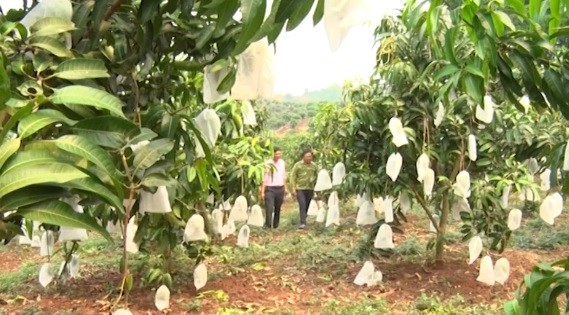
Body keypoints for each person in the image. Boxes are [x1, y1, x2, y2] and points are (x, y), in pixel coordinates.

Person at [290, 148, 319, 229]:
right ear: (303, 157)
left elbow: (317, 177)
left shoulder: (314, 166)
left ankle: (304, 218)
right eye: (307, 156)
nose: (309, 158)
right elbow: (293, 177)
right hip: (300, 188)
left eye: (310, 156)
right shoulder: (297, 165)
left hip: (310, 188)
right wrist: (293, 188)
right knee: (302, 204)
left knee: (307, 205)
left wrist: (317, 188)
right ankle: (303, 222)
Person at [260, 146, 288, 229]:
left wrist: (285, 187)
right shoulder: (268, 163)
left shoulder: (282, 163)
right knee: (269, 207)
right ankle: (268, 226)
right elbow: (264, 178)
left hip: (280, 188)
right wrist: (262, 191)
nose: (279, 155)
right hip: (270, 189)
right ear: (273, 154)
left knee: (278, 208)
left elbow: (283, 176)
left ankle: (276, 226)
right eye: (277, 154)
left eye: (280, 154)